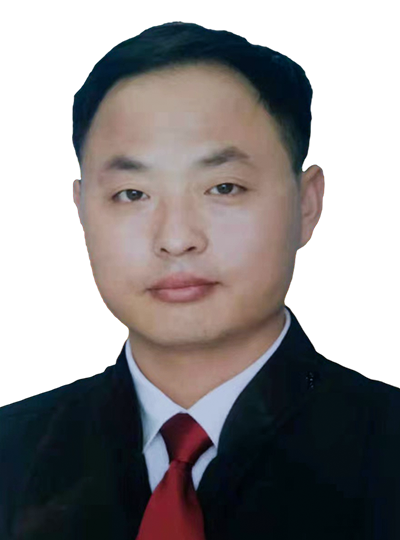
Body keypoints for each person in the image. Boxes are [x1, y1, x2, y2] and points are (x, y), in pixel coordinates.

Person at [1, 22, 399, 540]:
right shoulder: (9, 452)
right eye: (132, 194)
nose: (176, 239)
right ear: (81, 212)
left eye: (223, 187)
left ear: (308, 205)